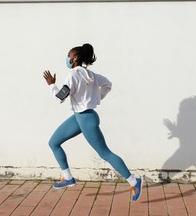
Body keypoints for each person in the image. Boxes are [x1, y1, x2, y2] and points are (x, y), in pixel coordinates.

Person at [43, 43, 142, 201]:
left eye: (69, 56)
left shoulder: (73, 75)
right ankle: (68, 178)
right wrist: (96, 98)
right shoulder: (92, 75)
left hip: (86, 120)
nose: (67, 59)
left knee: (105, 153)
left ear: (75, 58)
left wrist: (51, 84)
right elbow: (108, 84)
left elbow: (60, 98)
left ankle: (134, 181)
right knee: (53, 142)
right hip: (81, 116)